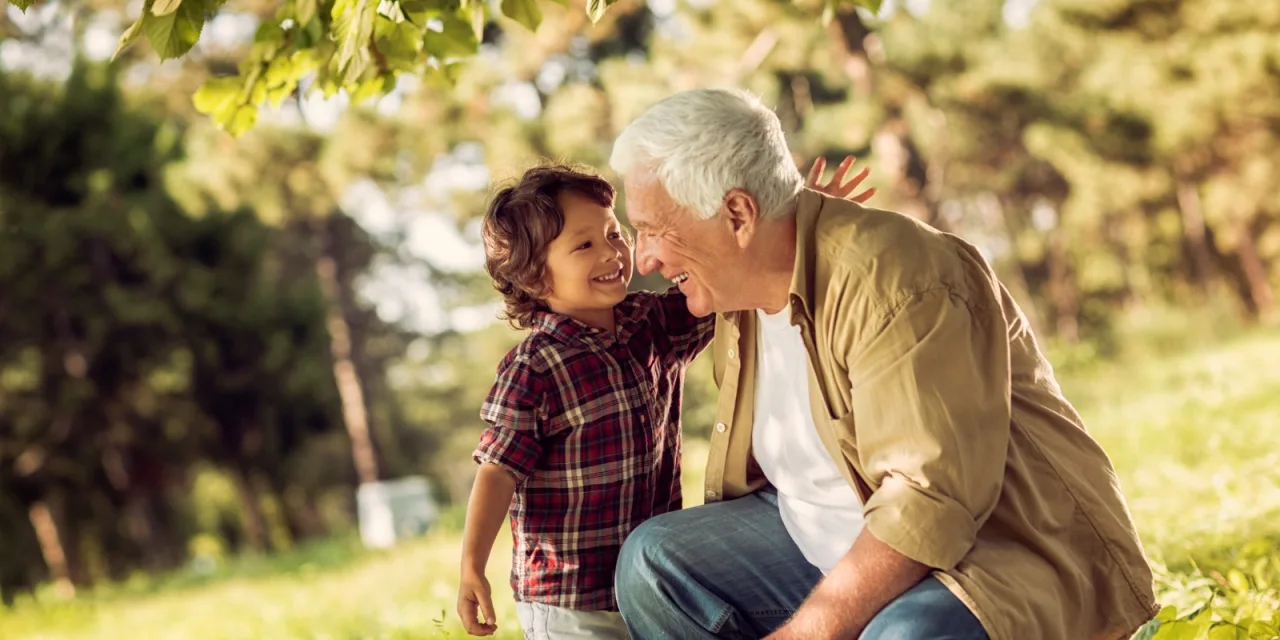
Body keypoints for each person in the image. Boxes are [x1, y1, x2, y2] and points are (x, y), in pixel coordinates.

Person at [608, 87, 1159, 640]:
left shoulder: (898, 277)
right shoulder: (739, 290)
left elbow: (928, 500)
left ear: (737, 213)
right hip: (823, 549)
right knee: (654, 565)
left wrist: (810, 632)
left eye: (654, 230)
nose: (644, 258)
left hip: (978, 561)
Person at [455, 161, 874, 639]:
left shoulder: (649, 322)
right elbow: (498, 470)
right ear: (534, 278)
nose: (612, 253)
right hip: (571, 599)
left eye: (615, 234)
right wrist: (472, 564)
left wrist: (796, 223)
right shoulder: (533, 368)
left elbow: (731, 282)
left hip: (648, 580)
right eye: (585, 245)